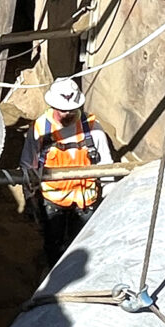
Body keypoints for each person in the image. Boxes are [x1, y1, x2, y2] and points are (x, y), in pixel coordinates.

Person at [22, 76, 113, 262]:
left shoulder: (93, 129)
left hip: (86, 202)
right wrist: (31, 199)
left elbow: (107, 167)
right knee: (52, 245)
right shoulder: (40, 129)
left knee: (83, 248)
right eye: (62, 110)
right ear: (53, 106)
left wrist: (109, 201)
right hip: (53, 201)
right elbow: (27, 166)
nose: (67, 114)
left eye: (71, 110)